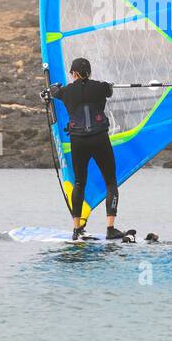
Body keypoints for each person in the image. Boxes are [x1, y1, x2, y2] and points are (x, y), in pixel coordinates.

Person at [49, 57, 126, 241]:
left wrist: (53, 88)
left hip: (79, 141)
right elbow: (109, 90)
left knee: (79, 184)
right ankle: (110, 228)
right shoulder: (100, 87)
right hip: (99, 139)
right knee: (110, 183)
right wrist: (109, 85)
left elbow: (54, 92)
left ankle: (77, 229)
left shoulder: (65, 92)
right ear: (89, 72)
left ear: (74, 74)